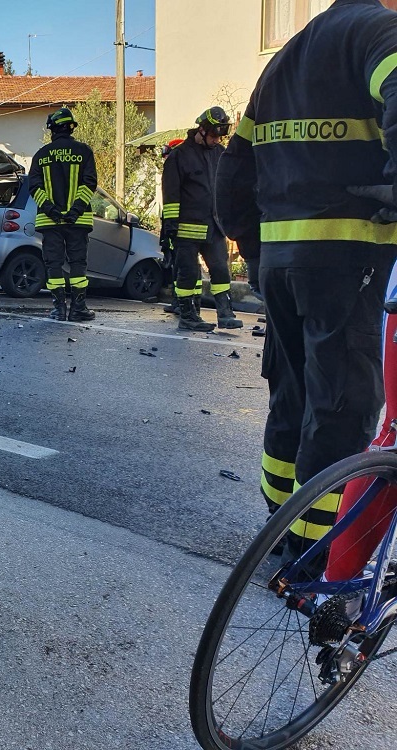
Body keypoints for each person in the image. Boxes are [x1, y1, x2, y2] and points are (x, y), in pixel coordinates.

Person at [219, 0, 397, 574]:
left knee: (292, 397)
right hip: (349, 255)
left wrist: (255, 249)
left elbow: (233, 172)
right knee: (342, 405)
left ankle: (281, 526)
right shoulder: (379, 32)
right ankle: (315, 553)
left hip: (281, 261)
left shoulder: (285, 59)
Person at [161, 108, 243, 332]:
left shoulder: (220, 153)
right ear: (202, 130)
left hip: (214, 227)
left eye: (220, 136)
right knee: (187, 274)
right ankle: (188, 316)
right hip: (186, 230)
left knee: (220, 270)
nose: (217, 140)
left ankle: (225, 314)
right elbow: (170, 195)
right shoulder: (179, 156)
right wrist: (170, 228)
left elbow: (227, 188)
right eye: (214, 135)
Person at [27, 106, 98, 321]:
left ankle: (59, 310)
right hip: (78, 221)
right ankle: (78, 309)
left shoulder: (41, 155)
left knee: (53, 264)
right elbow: (89, 184)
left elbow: (34, 188)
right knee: (78, 263)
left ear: (53, 129)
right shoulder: (84, 151)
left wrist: (51, 210)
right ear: (71, 127)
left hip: (50, 222)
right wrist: (75, 210)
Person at [160, 139, 185, 315]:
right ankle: (178, 301)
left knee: (183, 266)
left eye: (168, 154)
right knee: (176, 265)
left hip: (180, 227)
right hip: (173, 227)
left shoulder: (181, 172)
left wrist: (170, 228)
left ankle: (184, 303)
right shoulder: (174, 171)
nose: (166, 159)